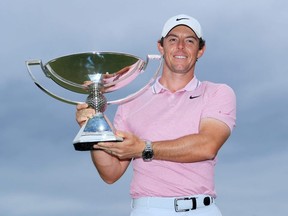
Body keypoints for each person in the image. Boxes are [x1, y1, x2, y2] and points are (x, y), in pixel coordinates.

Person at [76, 14, 236, 216]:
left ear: (200, 50)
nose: (180, 46)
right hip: (148, 210)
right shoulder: (132, 101)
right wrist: (93, 126)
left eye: (189, 41)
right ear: (160, 47)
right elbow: (111, 172)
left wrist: (144, 148)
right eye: (172, 39)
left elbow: (207, 146)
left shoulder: (216, 92)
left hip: (201, 210)